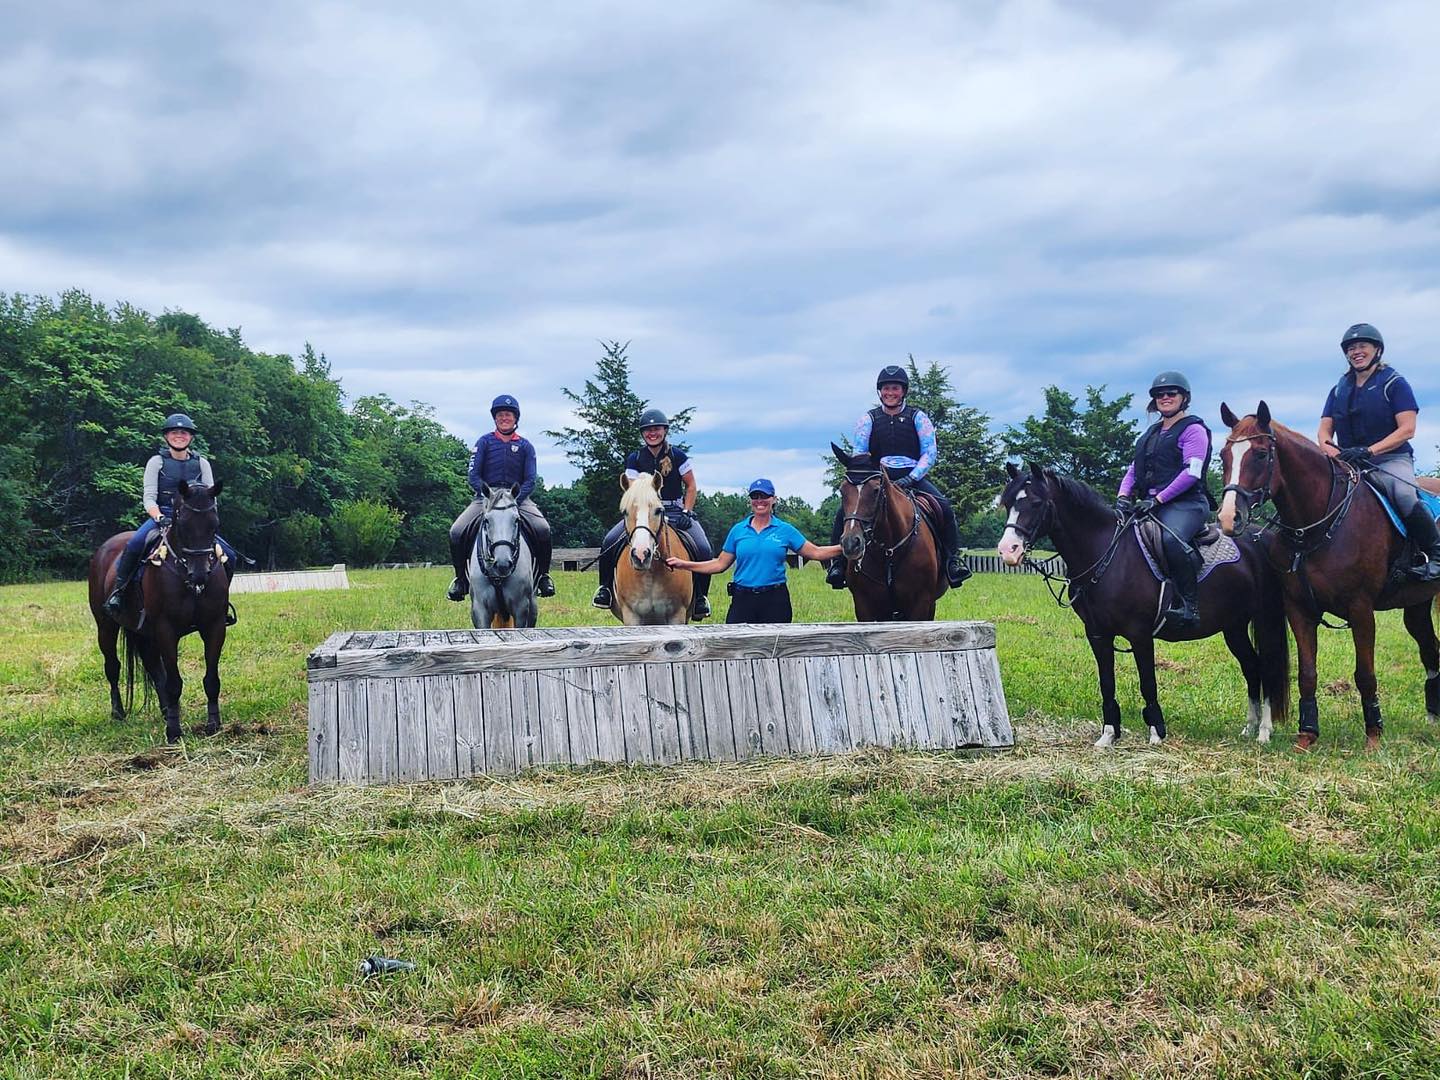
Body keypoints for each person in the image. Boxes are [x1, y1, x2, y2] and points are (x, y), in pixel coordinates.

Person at [825, 365, 972, 590]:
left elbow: (930, 452)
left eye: (895, 388)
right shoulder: (868, 419)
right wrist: (871, 475)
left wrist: (911, 478)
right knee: (844, 511)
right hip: (876, 475)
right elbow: (860, 452)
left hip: (911, 475)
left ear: (903, 391)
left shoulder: (918, 417)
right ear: (880, 392)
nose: (890, 392)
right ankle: (838, 564)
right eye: (886, 388)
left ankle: (952, 562)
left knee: (943, 506)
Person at [1318, 323, 1440, 581]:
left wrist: (1370, 451)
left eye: (1362, 346)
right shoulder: (1339, 389)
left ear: (1377, 350)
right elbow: (1324, 432)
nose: (1356, 351)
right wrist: (1332, 454)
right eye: (1351, 348)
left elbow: (1407, 429)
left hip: (1390, 459)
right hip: (1348, 461)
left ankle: (1436, 554)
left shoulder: (1395, 383)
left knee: (1405, 494)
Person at [103, 413, 238, 618]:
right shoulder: (156, 462)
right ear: (166, 436)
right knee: (135, 545)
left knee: (231, 555)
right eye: (174, 432)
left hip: (194, 521)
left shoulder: (202, 463)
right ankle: (119, 593)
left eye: (184, 433)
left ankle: (221, 603)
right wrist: (158, 517)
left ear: (191, 437)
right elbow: (149, 498)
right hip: (163, 516)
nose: (179, 436)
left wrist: (206, 522)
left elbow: (212, 499)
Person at [592, 408, 714, 618]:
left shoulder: (677, 455)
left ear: (665, 430)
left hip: (675, 510)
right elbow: (631, 487)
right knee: (609, 542)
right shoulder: (635, 457)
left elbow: (691, 486)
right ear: (642, 433)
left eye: (656, 429)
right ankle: (605, 589)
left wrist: (687, 510)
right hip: (643, 512)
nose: (652, 433)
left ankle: (701, 596)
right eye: (647, 430)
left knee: (703, 547)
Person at [667, 478, 843, 624]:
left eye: (764, 496)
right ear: (750, 501)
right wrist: (684, 564)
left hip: (775, 599)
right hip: (743, 598)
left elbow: (816, 552)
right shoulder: (738, 530)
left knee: (775, 652)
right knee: (737, 650)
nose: (760, 501)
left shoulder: (785, 530)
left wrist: (844, 548)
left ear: (774, 499)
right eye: (755, 496)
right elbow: (720, 564)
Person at [1115, 371, 1213, 632]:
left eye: (1171, 393)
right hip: (1151, 504)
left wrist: (1158, 498)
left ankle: (1189, 606)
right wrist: (1123, 497)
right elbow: (1133, 471)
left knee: (1171, 540)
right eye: (1160, 394)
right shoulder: (1150, 434)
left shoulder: (1194, 430)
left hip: (1187, 503)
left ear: (1184, 398)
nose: (1165, 397)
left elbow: (1191, 473)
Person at [447, 394, 555, 601]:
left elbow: (530, 479)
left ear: (516, 418)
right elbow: (473, 475)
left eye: (508, 415)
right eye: (500, 415)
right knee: (457, 531)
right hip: (486, 497)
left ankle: (543, 576)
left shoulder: (526, 446)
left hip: (518, 497)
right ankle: (460, 579)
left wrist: (516, 498)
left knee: (543, 529)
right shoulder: (484, 442)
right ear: (495, 418)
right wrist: (488, 494)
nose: (504, 418)